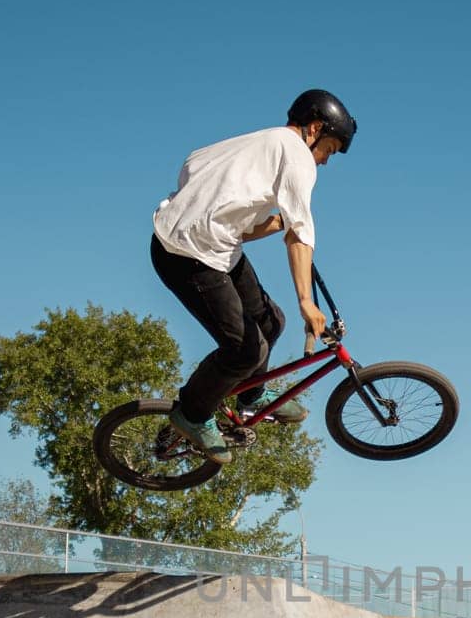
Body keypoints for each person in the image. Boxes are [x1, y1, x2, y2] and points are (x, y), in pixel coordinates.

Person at [149, 89, 357, 464]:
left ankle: (249, 395)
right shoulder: (296, 155)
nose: (326, 161)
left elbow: (195, 171)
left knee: (270, 320)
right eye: (330, 149)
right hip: (186, 255)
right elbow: (300, 234)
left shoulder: (256, 144)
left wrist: (268, 222)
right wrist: (307, 302)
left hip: (214, 246)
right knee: (244, 348)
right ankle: (192, 414)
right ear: (314, 128)